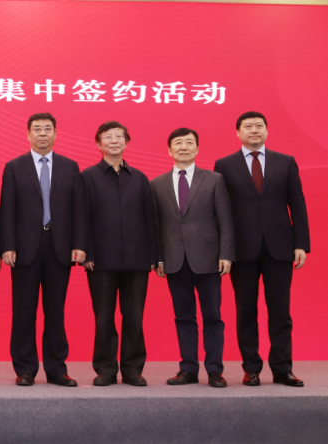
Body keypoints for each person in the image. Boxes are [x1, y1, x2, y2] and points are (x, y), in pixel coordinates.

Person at [214, 111, 310, 387]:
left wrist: (301, 244)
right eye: (248, 126)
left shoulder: (285, 162)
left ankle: (282, 368)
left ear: (267, 131)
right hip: (242, 250)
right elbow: (221, 211)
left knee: (280, 311)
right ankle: (251, 368)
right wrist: (224, 249)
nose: (254, 130)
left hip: (279, 247)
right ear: (238, 132)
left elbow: (298, 204)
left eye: (259, 126)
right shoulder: (224, 165)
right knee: (246, 311)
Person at [1, 113, 88, 387]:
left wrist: (79, 244)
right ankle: (25, 369)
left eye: (47, 129)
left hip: (59, 247)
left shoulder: (69, 166)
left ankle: (56, 369)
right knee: (24, 311)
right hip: (24, 249)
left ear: (55, 133)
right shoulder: (14, 167)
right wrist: (8, 246)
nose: (42, 133)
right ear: (28, 134)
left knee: (56, 312)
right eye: (36, 129)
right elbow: (7, 210)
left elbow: (78, 209)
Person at [151, 128, 233, 388]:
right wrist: (158, 258)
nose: (184, 147)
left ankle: (215, 370)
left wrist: (226, 254)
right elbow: (155, 225)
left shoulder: (214, 179)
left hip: (209, 259)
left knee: (213, 316)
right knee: (183, 317)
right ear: (169, 150)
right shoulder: (157, 184)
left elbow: (226, 220)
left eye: (189, 143)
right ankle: (188, 369)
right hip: (174, 259)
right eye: (178, 143)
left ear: (197, 149)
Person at [81, 121, 157, 387]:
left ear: (126, 142)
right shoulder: (87, 177)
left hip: (137, 260)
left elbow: (150, 219)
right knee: (104, 318)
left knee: (134, 317)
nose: (114, 141)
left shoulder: (139, 178)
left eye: (119, 136)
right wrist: (87, 252)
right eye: (108, 137)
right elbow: (81, 218)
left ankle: (132, 369)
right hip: (100, 261)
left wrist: (153, 256)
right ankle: (105, 369)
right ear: (99, 144)